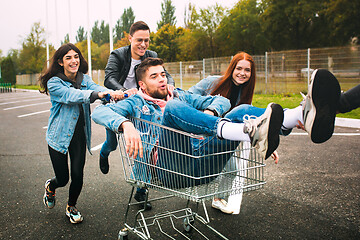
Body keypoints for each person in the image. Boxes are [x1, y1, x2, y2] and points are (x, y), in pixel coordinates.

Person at [189, 51, 341, 213]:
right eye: (239, 68)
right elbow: (188, 97)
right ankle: (297, 115)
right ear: (232, 68)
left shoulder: (244, 93)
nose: (242, 73)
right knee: (241, 111)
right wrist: (204, 115)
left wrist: (266, 139)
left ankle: (218, 199)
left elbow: (250, 124)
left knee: (232, 169)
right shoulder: (212, 82)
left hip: (227, 135)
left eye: (247, 70)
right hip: (205, 131)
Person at [39, 43, 122, 224]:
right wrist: (96, 95)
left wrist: (114, 93)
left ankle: (71, 206)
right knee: (63, 178)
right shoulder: (54, 82)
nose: (73, 61)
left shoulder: (85, 79)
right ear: (60, 62)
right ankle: (51, 186)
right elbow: (71, 96)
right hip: (58, 137)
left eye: (76, 56)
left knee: (78, 175)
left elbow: (97, 88)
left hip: (79, 136)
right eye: (68, 58)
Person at [100, 21, 175, 209]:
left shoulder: (152, 56)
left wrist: (170, 84)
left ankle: (141, 190)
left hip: (144, 106)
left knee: (146, 143)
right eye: (139, 40)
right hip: (121, 102)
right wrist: (125, 91)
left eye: (147, 41)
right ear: (130, 38)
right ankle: (104, 152)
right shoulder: (117, 55)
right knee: (112, 142)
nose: (143, 45)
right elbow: (109, 78)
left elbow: (164, 73)